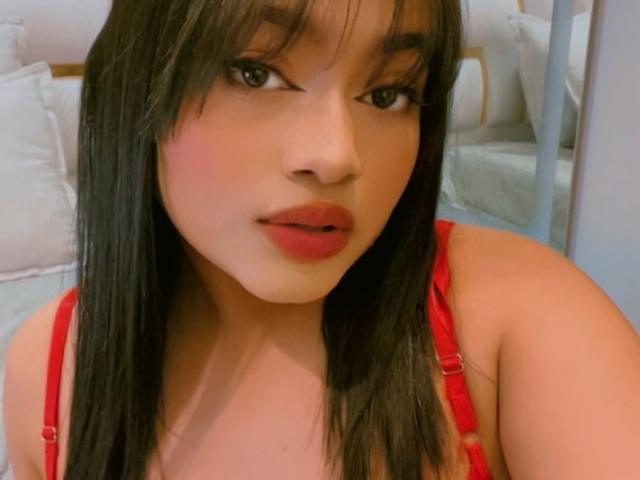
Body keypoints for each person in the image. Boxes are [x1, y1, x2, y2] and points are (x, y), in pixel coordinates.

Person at [3, 0, 640, 479]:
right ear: (137, 83)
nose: (335, 156)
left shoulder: (518, 320)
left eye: (388, 94)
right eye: (255, 73)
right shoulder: (49, 374)